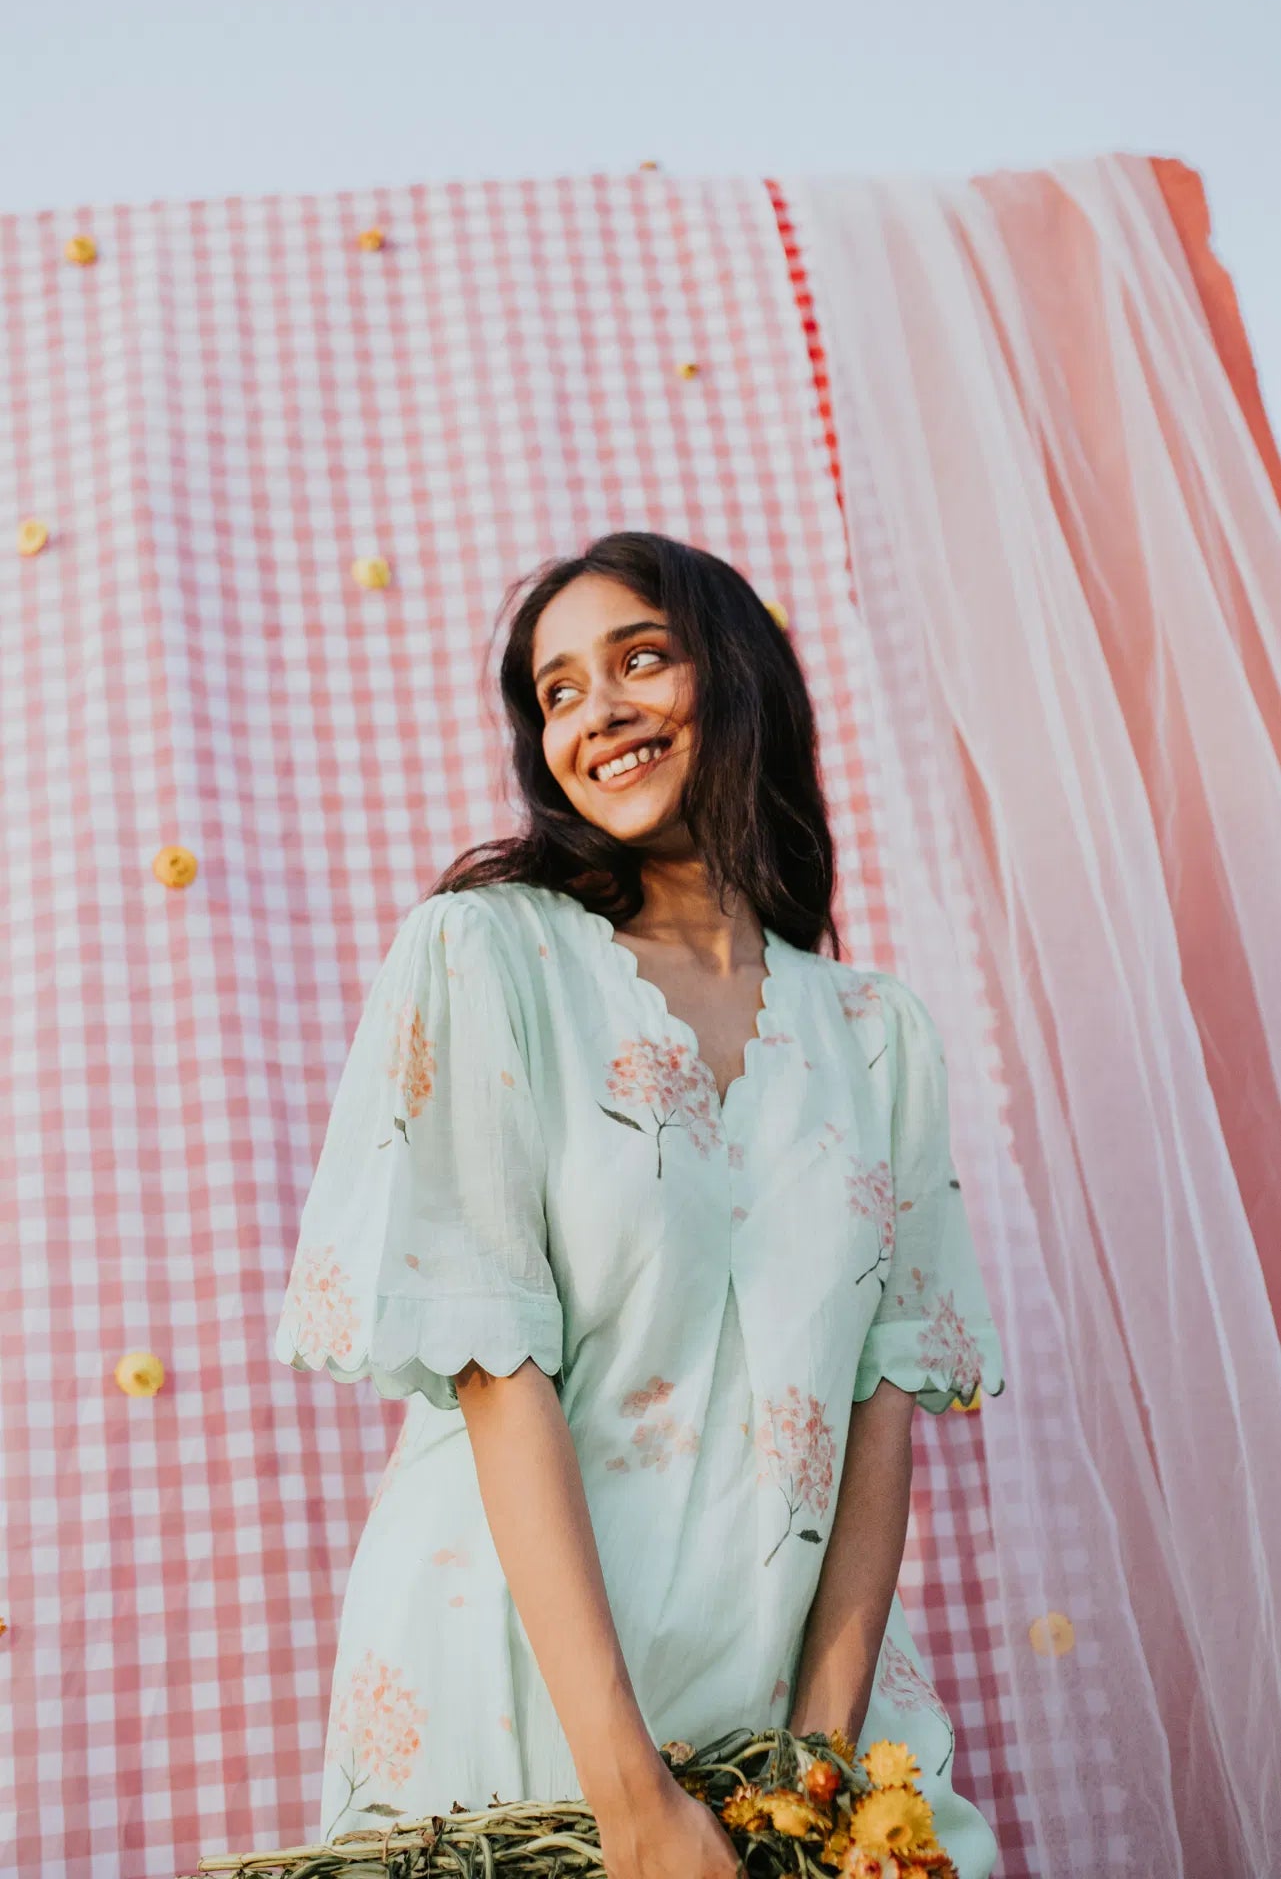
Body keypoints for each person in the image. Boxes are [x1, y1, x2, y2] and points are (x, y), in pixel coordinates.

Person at [274, 531, 1006, 1879]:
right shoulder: (483, 952)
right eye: (553, 691)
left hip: (789, 1697)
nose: (594, 711)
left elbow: (880, 1406)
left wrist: (820, 1775)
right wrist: (628, 1796)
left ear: (734, 677)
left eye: (638, 659)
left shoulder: (879, 1036)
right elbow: (493, 1363)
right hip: (521, 1682)